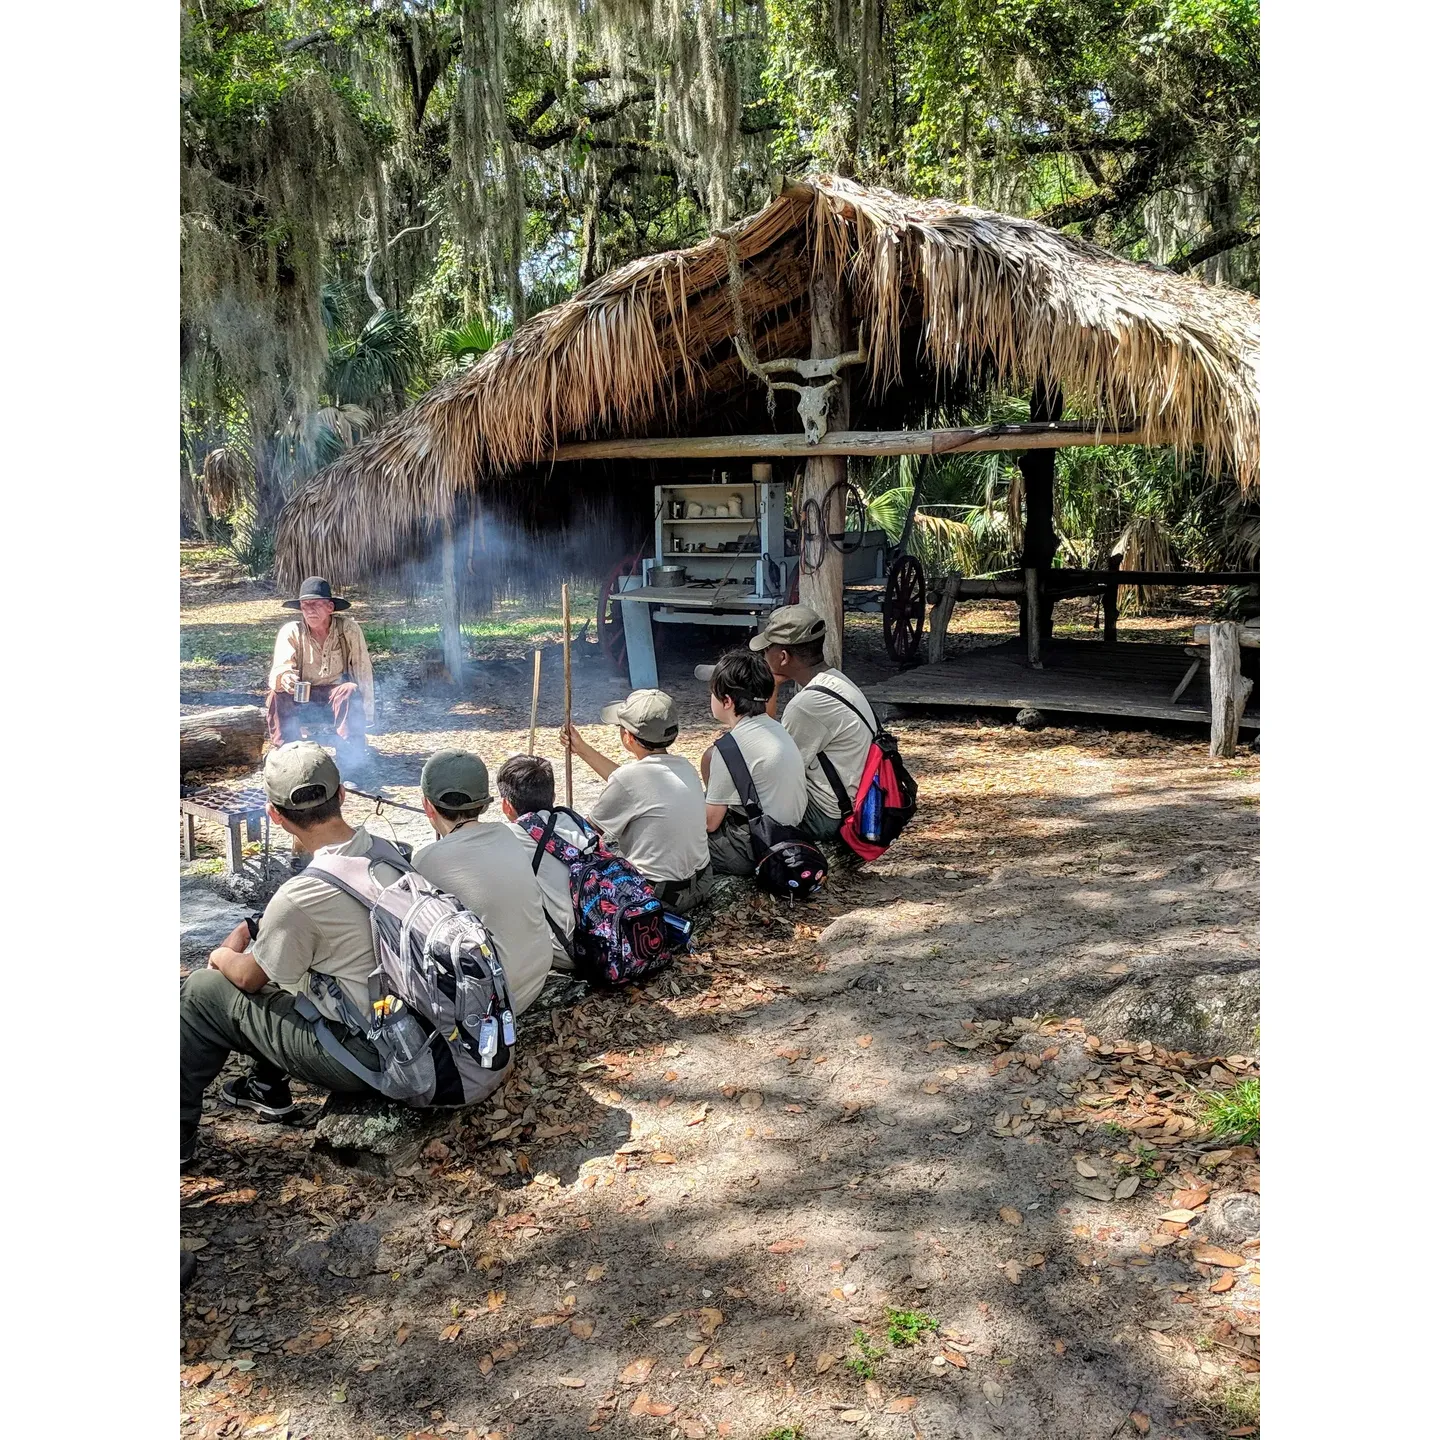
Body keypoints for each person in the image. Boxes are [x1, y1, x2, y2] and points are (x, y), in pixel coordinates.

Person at [180, 742, 393, 1166]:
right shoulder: (388, 852)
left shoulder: (300, 896)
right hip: (413, 1032)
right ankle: (265, 1088)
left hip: (367, 1058)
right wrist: (258, 926)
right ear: (343, 796)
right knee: (287, 965)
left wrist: (223, 954)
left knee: (204, 993)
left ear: (275, 816)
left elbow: (247, 979)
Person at [410, 750, 554, 1016]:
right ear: (485, 803)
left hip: (499, 997)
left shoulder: (425, 861)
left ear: (427, 806)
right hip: (536, 973)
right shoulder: (508, 834)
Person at [561, 689, 712, 912]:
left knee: (580, 870)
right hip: (700, 886)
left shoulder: (630, 780)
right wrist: (582, 749)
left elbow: (587, 834)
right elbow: (633, 787)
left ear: (628, 736)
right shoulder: (684, 767)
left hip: (659, 897)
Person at [750, 604, 878, 843]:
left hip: (827, 815)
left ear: (783, 657)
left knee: (737, 799)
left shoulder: (806, 705)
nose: (763, 656)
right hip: (850, 799)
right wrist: (774, 685)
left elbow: (775, 766)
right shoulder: (836, 680)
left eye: (767, 649)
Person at [698, 648, 807, 876]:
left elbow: (710, 823)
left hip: (755, 848)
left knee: (682, 839)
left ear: (726, 701)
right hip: (790, 833)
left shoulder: (731, 747)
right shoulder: (777, 729)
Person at [265, 576, 375, 773]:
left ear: (330, 607)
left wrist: (367, 714)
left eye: (315, 604)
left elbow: (362, 671)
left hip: (336, 696)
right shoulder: (291, 631)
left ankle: (350, 764)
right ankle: (287, 759)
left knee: (349, 690)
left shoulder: (348, 629)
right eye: (305, 606)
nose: (309, 610)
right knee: (277, 694)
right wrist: (287, 678)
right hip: (303, 698)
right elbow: (280, 669)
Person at [495, 754, 589, 972]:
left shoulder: (511, 836)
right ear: (553, 795)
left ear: (506, 806)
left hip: (569, 951)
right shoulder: (573, 820)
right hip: (602, 931)